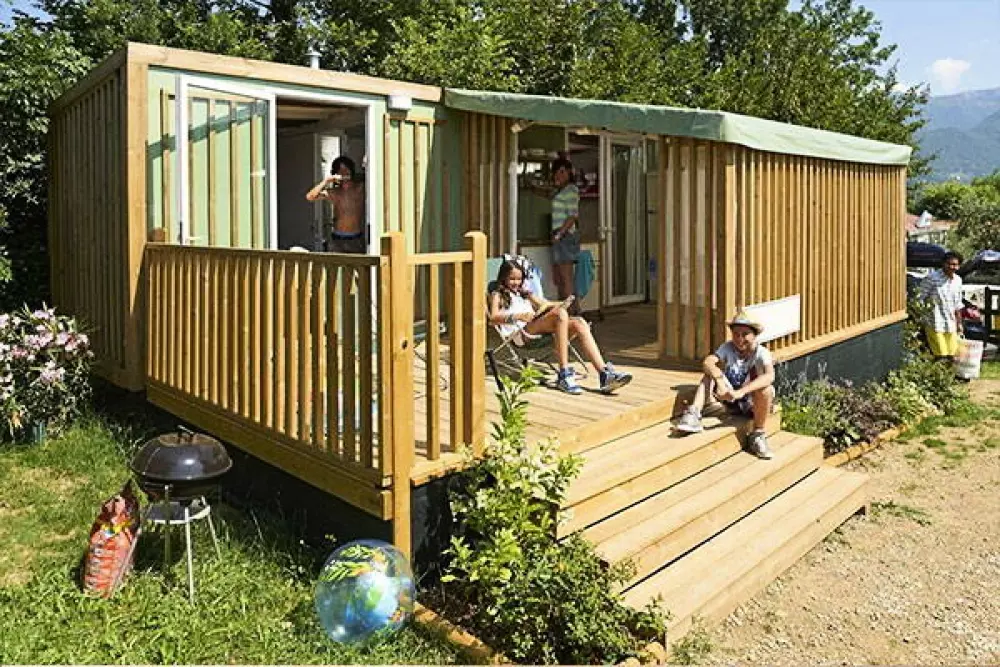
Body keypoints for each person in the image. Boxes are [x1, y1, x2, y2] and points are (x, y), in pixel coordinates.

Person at [488, 258, 631, 395]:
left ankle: (604, 374)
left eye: (519, 279)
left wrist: (562, 303)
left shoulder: (524, 294)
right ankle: (564, 374)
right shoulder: (497, 295)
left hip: (535, 328)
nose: (516, 282)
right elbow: (493, 319)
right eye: (512, 279)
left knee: (579, 322)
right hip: (520, 335)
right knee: (560, 315)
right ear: (503, 278)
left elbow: (545, 304)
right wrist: (517, 316)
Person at [675, 311, 776, 459]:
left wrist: (741, 392)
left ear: (754, 335)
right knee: (708, 374)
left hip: (752, 404)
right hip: (730, 400)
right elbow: (708, 362)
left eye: (745, 334)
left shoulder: (761, 353)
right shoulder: (728, 347)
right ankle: (693, 414)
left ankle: (758, 434)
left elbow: (769, 376)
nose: (739, 339)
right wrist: (720, 381)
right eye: (736, 334)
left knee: (766, 390)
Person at [305, 156, 366, 254]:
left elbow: (370, 176)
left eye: (346, 170)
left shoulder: (360, 189)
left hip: (356, 239)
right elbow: (310, 197)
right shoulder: (334, 193)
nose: (343, 173)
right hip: (337, 240)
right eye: (340, 171)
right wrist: (326, 181)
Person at [548, 158, 581, 313]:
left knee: (566, 277)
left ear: (569, 172)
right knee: (560, 278)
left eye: (563, 171)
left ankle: (572, 313)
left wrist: (560, 234)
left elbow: (573, 216)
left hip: (565, 235)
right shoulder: (560, 191)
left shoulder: (571, 190)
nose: (559, 175)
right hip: (559, 235)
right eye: (557, 171)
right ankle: (569, 312)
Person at [918, 251, 964, 360]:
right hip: (934, 323)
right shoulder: (931, 278)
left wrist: (959, 324)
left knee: (952, 355)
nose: (952, 267)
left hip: (951, 324)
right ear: (943, 263)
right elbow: (919, 298)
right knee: (941, 355)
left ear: (959, 266)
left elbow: (958, 304)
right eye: (949, 264)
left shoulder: (958, 280)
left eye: (955, 264)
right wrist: (921, 318)